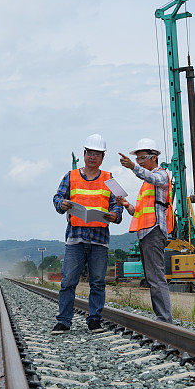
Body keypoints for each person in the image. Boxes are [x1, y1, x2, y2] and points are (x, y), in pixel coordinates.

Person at [51, 134, 122, 335]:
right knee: (68, 281)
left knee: (98, 282)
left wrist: (114, 215)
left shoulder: (109, 178)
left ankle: (94, 320)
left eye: (97, 154)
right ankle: (64, 321)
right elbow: (57, 197)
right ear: (84, 154)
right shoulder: (70, 176)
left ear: (102, 157)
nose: (93, 157)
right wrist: (61, 204)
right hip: (76, 239)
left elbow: (118, 204)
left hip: (99, 240)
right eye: (90, 153)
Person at [117, 138, 174, 323]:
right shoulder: (147, 184)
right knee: (152, 277)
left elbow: (152, 177)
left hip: (154, 231)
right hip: (145, 232)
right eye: (138, 159)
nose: (140, 162)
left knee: (156, 277)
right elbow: (139, 212)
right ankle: (162, 318)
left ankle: (165, 320)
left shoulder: (161, 175)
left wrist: (133, 167)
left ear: (154, 157)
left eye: (142, 158)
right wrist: (126, 205)